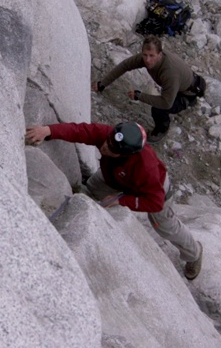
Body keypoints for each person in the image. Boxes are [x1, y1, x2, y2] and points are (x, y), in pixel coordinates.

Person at [25, 121, 204, 280]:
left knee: (165, 226)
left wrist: (122, 200)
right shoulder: (110, 138)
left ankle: (194, 253)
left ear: (126, 154)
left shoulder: (146, 168)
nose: (104, 147)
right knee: (93, 188)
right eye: (107, 142)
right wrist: (48, 130)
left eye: (111, 149)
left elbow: (155, 202)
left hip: (153, 192)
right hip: (114, 176)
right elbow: (81, 131)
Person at [91, 36, 205, 143]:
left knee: (158, 109)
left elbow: (166, 103)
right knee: (164, 95)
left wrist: (140, 96)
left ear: (160, 55)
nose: (147, 60)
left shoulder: (170, 73)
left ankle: (162, 129)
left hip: (187, 93)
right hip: (180, 84)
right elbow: (125, 65)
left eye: (151, 56)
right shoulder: (146, 59)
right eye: (145, 55)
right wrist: (103, 84)